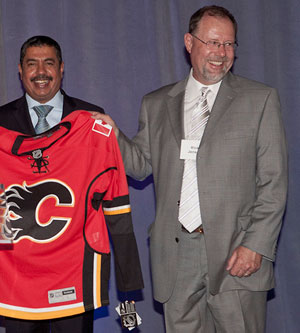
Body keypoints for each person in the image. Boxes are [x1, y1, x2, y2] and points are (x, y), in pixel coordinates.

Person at [92, 5, 287, 332]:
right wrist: (113, 137)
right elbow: (140, 165)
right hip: (175, 255)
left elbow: (274, 183)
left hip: (236, 252)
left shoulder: (260, 99)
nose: (221, 53)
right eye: (212, 42)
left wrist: (255, 244)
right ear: (189, 42)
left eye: (229, 45)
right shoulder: (155, 104)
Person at [0, 36, 140, 332]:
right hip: (19, 272)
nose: (41, 72)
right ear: (20, 70)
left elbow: (113, 186)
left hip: (73, 269)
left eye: (49, 63)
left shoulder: (91, 117)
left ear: (62, 68)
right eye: (32, 64)